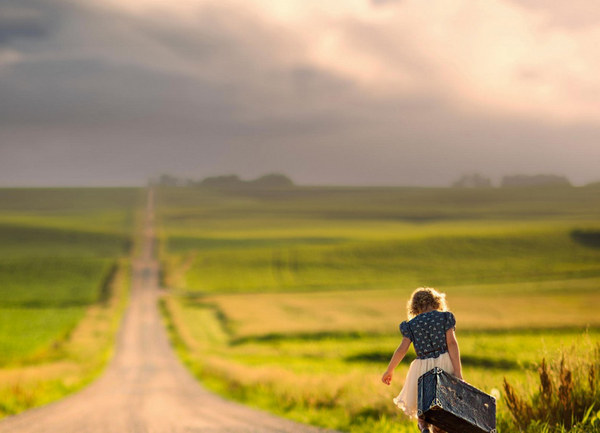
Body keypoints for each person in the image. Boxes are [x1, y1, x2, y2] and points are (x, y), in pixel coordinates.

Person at [381, 287, 463, 433]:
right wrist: (457, 371)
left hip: (422, 366)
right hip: (444, 362)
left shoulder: (411, 325)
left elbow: (402, 349)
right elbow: (452, 343)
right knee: (443, 404)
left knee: (423, 404)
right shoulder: (445, 318)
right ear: (437, 302)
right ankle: (439, 427)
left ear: (414, 306)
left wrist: (389, 370)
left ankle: (423, 426)